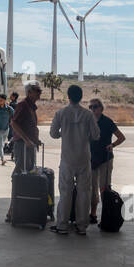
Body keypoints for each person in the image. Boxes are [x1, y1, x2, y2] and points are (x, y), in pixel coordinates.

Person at [50, 84, 99, 234]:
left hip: (67, 159)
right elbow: (96, 135)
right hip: (84, 158)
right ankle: (82, 226)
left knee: (65, 192)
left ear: (68, 96)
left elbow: (53, 133)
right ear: (81, 97)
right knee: (84, 192)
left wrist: (62, 134)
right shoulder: (88, 115)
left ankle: (63, 225)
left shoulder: (61, 113)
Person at [4, 82, 43, 224]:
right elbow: (14, 123)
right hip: (23, 146)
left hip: (29, 146)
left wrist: (35, 140)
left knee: (27, 176)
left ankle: (19, 209)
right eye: (37, 90)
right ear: (29, 92)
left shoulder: (32, 107)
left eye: (40, 90)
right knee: (20, 176)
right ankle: (11, 211)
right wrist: (26, 140)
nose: (40, 93)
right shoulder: (23, 106)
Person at [87, 98, 126, 222]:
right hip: (91, 160)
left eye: (95, 106)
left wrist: (112, 145)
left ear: (101, 108)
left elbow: (121, 137)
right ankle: (93, 215)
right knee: (92, 189)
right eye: (91, 107)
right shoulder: (88, 122)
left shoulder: (108, 122)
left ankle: (106, 215)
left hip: (105, 159)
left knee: (104, 188)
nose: (93, 109)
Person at [0, 92, 14, 166]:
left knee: (1, 145)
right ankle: (2, 159)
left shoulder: (9, 109)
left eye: (1, 100)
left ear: (4, 100)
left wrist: (12, 123)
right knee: (0, 144)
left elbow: (14, 116)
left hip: (6, 129)